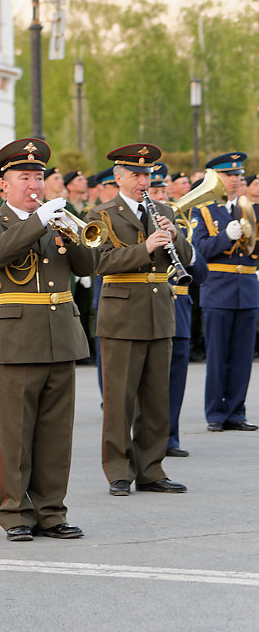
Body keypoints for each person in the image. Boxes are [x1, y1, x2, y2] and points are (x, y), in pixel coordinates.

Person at [0, 138, 96, 541]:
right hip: (18, 339)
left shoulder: (58, 219)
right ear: (2, 185)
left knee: (57, 433)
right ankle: (15, 513)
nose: (33, 185)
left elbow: (90, 266)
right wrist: (38, 221)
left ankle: (52, 511)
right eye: (24, 177)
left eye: (38, 177)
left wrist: (71, 233)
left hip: (61, 336)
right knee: (17, 432)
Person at [86, 144, 189, 496]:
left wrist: (174, 235)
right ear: (118, 178)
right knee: (120, 399)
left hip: (159, 311)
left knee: (156, 398)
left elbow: (186, 257)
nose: (144, 180)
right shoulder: (102, 214)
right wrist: (145, 248)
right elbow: (100, 263)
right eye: (137, 174)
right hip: (122, 314)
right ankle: (118, 470)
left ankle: (151, 469)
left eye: (148, 174)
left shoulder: (162, 209)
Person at [192, 151, 259, 432]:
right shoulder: (204, 210)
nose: (234, 179)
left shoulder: (251, 210)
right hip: (218, 289)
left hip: (248, 289)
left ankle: (236, 412)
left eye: (237, 175)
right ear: (215, 177)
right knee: (218, 356)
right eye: (229, 175)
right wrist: (225, 237)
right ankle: (216, 414)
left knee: (243, 357)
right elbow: (199, 250)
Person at [147, 163, 208, 458]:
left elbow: (201, 273)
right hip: (147, 307)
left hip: (179, 308)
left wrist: (179, 240)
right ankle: (143, 437)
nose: (160, 196)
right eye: (154, 190)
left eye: (162, 190)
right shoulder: (134, 226)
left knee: (176, 377)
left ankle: (170, 436)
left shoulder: (179, 224)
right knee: (145, 380)